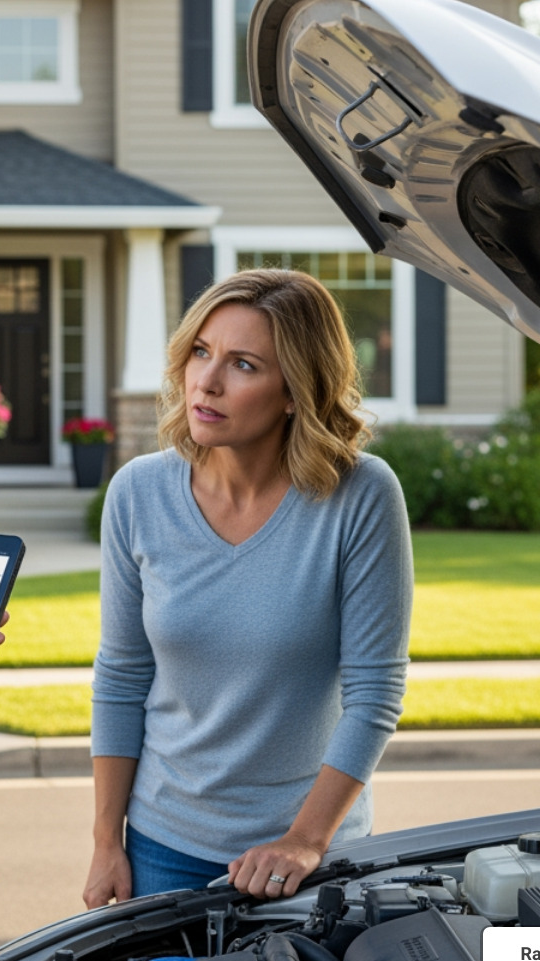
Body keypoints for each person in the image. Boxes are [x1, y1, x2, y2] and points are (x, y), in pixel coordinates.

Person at [81, 268, 412, 908]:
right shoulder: (137, 493)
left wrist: (306, 840)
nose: (206, 381)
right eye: (201, 353)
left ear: (295, 390)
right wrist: (105, 841)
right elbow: (121, 676)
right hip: (161, 844)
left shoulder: (362, 496)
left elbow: (375, 694)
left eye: (243, 364)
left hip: (310, 855)